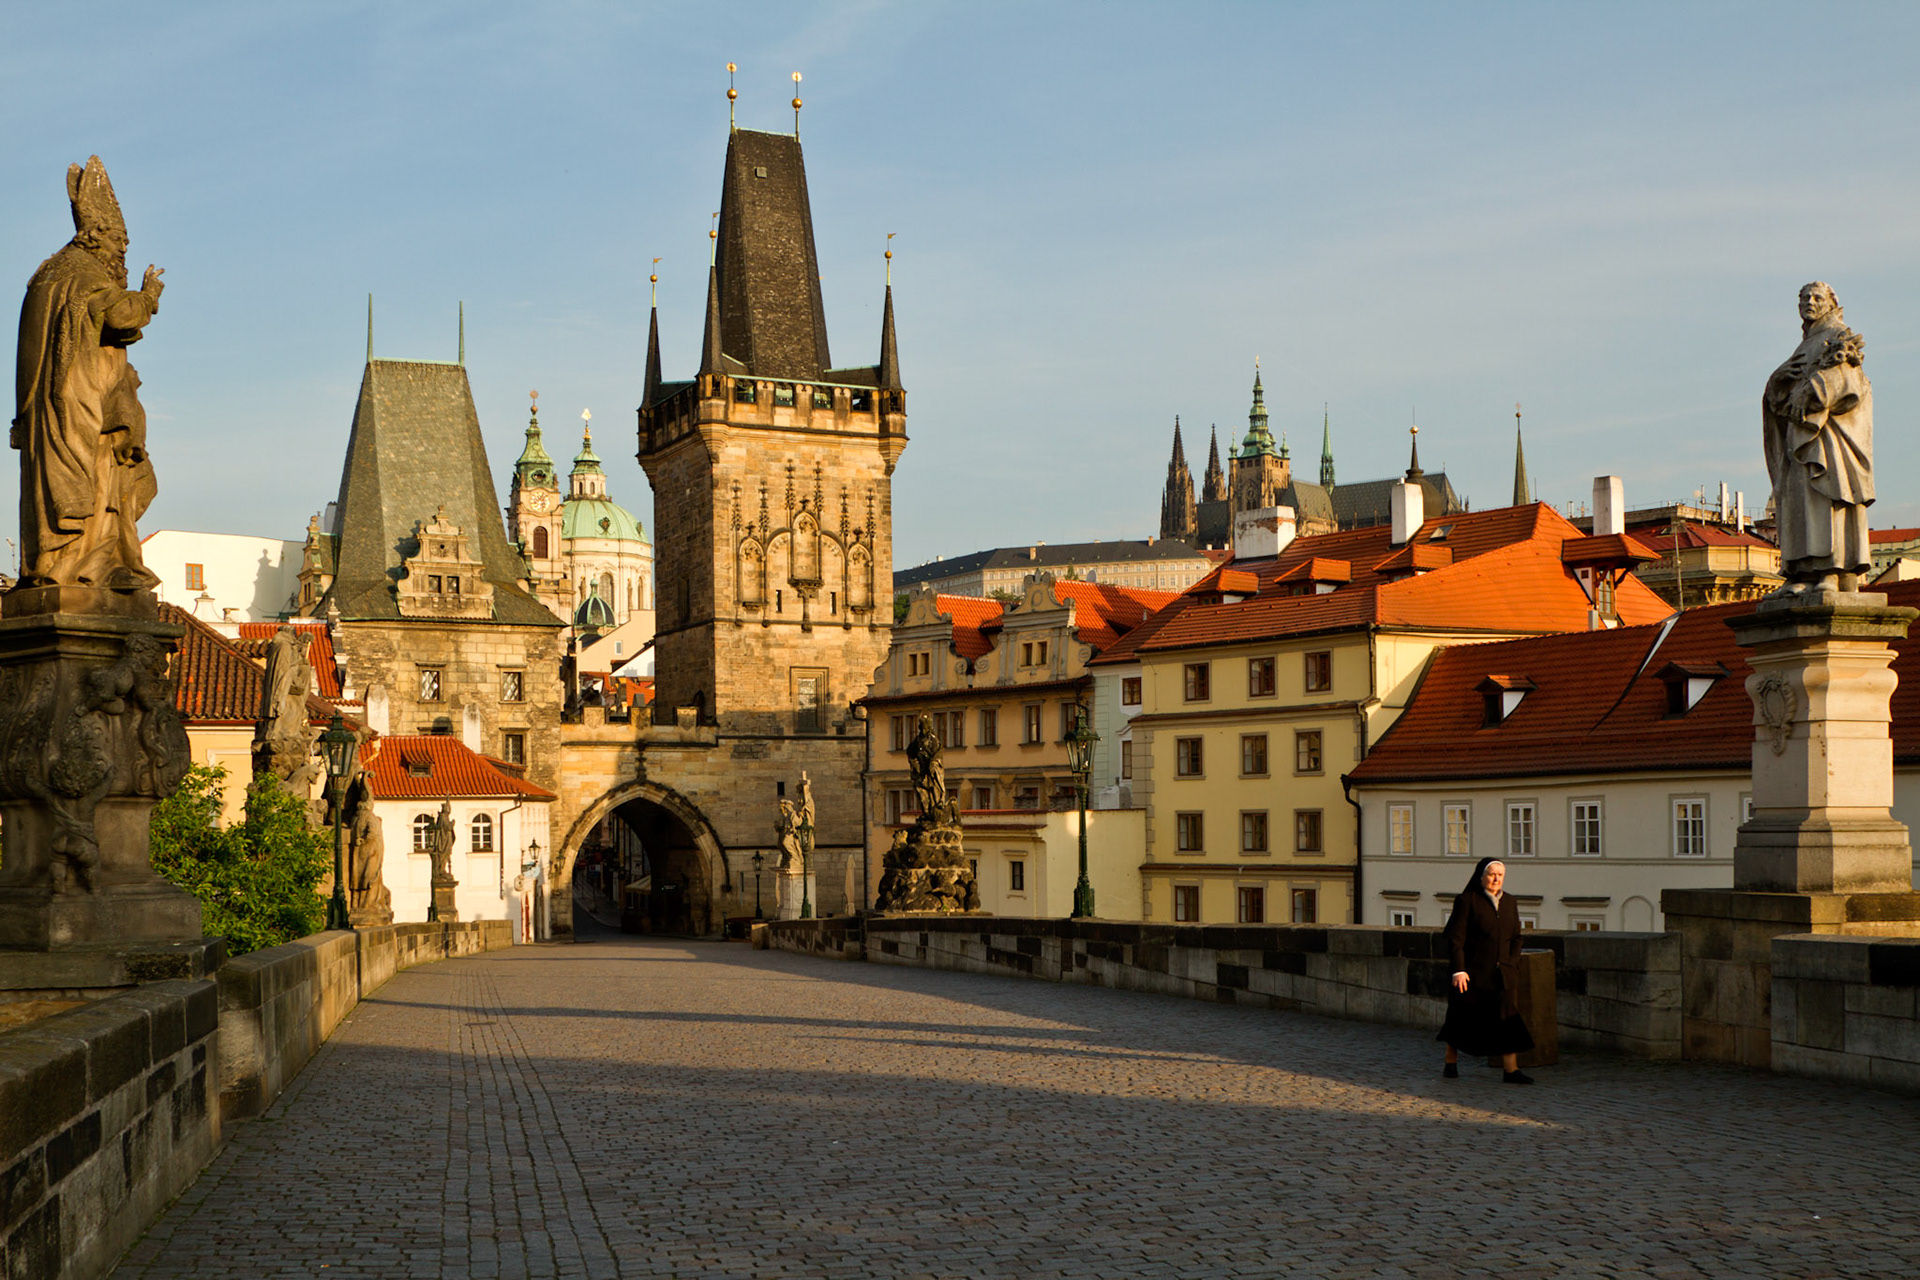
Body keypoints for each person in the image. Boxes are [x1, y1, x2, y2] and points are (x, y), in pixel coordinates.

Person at [1438, 857, 1535, 1084]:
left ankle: (1511, 1070)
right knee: (1461, 1017)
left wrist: (1512, 961)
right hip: (1473, 973)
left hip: (1503, 974)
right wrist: (1459, 970)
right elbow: (1456, 939)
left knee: (1508, 1019)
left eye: (1500, 875)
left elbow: (1516, 938)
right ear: (1481, 877)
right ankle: (1450, 1060)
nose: (1496, 879)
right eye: (1492, 874)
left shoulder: (1510, 902)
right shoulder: (1467, 900)